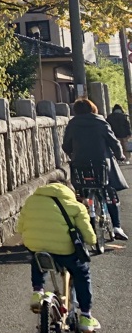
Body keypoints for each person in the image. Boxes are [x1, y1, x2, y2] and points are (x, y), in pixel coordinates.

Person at [16, 180, 100, 333]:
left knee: (37, 259)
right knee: (82, 273)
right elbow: (89, 236)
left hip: (37, 246)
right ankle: (86, 316)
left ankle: (37, 292)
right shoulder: (76, 206)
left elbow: (19, 228)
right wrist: (93, 241)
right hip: (65, 251)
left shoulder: (31, 200)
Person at [63, 98, 128, 240]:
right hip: (101, 165)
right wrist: (120, 155)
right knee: (109, 191)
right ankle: (117, 227)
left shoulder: (72, 124)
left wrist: (73, 155)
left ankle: (82, 225)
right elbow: (113, 142)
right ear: (93, 108)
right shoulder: (100, 122)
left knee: (82, 193)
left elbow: (66, 145)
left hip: (80, 165)